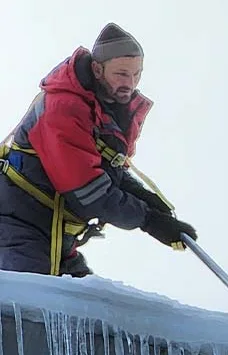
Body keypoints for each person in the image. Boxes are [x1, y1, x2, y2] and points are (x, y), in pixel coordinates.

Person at [0, 22, 197, 278]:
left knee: (91, 306)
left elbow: (107, 168)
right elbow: (89, 191)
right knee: (29, 305)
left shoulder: (103, 112)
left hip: (54, 236)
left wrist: (144, 197)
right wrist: (148, 220)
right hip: (16, 228)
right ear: (97, 69)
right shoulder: (63, 109)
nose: (131, 83)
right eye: (121, 74)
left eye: (136, 75)